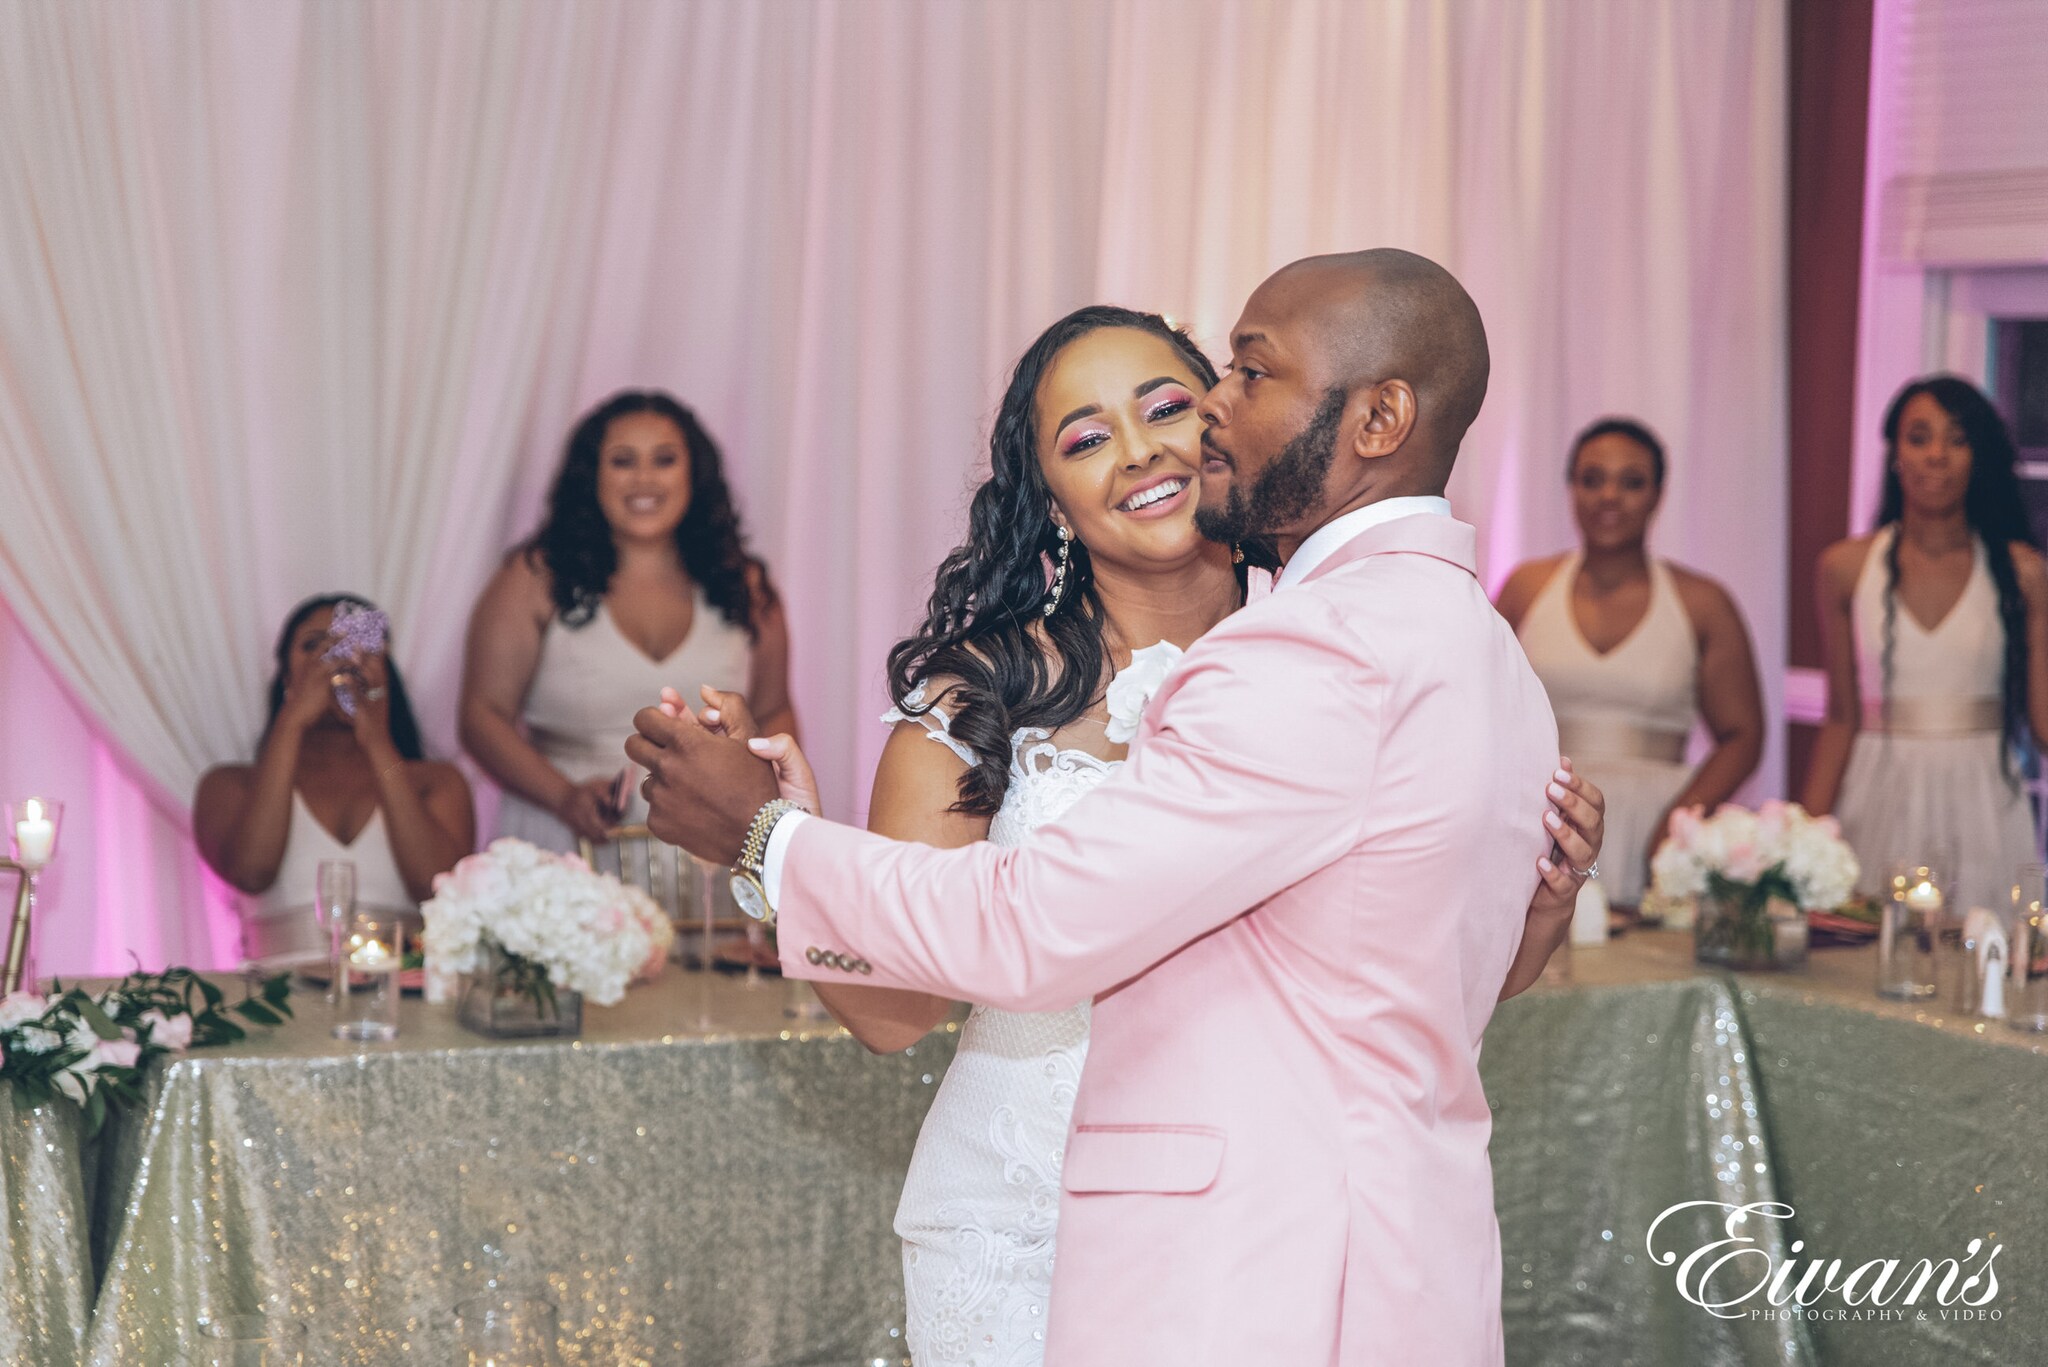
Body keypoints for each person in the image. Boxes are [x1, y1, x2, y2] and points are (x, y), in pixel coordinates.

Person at [633, 250, 1603, 1365]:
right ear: (1049, 504)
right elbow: (895, 1012)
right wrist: (779, 862)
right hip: (1030, 1208)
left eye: (1185, 399)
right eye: (1086, 437)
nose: (1144, 448)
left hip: (1238, 1245)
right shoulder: (984, 696)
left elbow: (1383, 971)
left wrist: (769, 837)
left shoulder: (1308, 649)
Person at [460, 391, 793, 854]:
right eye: (622, 461)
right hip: (565, 847)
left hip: (709, 854)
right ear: (591, 476)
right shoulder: (535, 577)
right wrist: (563, 797)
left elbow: (775, 713)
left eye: (664, 460)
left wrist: (758, 811)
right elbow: (482, 716)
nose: (644, 479)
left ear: (694, 473)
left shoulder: (746, 585)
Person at [1803, 375, 2047, 918]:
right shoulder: (1844, 568)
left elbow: (2044, 723)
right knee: (1866, 965)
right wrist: (1800, 850)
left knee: (1983, 966)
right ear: (1894, 455)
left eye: (1957, 439)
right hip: (1878, 791)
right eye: (1919, 437)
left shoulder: (2024, 572)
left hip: (1984, 799)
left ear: (1977, 457)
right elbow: (1840, 719)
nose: (1936, 455)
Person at [1497, 418, 1764, 907]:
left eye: (1632, 482)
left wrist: (1680, 822)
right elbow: (1483, 711)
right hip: (1546, 818)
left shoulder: (1703, 602)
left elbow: (1744, 736)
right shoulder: (1526, 588)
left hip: (1658, 820)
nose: (1609, 497)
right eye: (1592, 479)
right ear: (1571, 488)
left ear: (1659, 494)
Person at [194, 595, 475, 964]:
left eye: (355, 646)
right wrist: (293, 721)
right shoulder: (231, 785)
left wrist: (376, 739)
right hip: (272, 1004)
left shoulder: (434, 782)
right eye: (314, 646)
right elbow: (252, 871)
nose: (335, 661)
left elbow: (431, 885)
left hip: (397, 1002)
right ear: (285, 676)